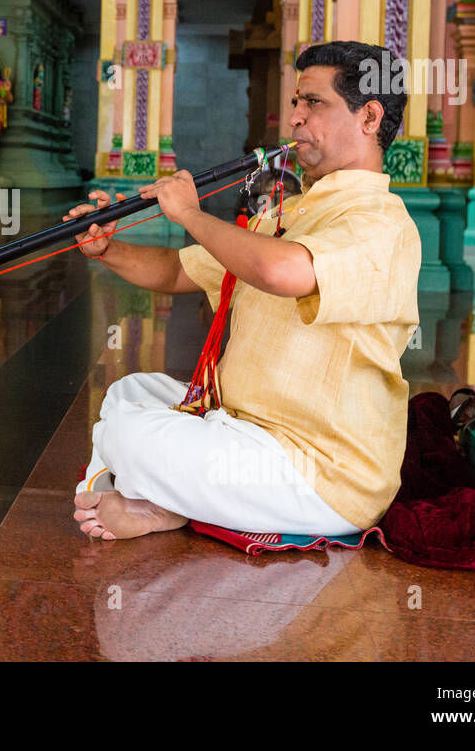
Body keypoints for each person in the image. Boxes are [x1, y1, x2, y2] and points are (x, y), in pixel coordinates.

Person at [68, 41, 420, 543]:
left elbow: (283, 272)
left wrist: (189, 214)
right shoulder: (290, 211)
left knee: (127, 432)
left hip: (317, 471)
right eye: (297, 102)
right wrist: (108, 250)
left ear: (368, 117)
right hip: (244, 428)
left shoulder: (381, 222)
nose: (295, 118)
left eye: (313, 103)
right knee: (131, 391)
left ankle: (160, 502)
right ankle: (167, 498)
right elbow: (176, 271)